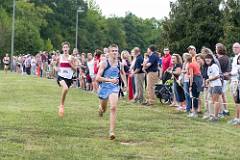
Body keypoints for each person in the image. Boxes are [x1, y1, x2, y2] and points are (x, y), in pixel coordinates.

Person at [96, 44, 127, 140]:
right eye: (113, 51)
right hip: (104, 87)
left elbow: (122, 73)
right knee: (104, 109)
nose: (115, 52)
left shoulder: (119, 64)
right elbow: (97, 78)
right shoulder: (104, 63)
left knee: (113, 107)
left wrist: (125, 84)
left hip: (114, 88)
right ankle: (100, 109)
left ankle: (112, 132)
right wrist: (110, 80)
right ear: (109, 52)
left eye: (116, 51)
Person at [56, 42, 76, 117]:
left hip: (69, 78)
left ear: (69, 48)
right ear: (62, 49)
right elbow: (55, 65)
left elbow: (75, 69)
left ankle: (62, 105)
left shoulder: (72, 58)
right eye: (64, 47)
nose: (65, 49)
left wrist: (70, 63)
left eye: (66, 47)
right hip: (60, 76)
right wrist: (56, 68)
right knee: (65, 88)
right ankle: (61, 105)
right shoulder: (59, 57)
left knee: (65, 90)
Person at [205, 54, 222, 122]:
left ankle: (216, 117)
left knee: (215, 101)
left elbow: (218, 76)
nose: (207, 60)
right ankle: (213, 115)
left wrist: (209, 80)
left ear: (212, 59)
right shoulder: (209, 67)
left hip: (216, 85)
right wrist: (208, 82)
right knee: (213, 101)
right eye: (206, 59)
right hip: (212, 86)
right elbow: (210, 76)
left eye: (209, 58)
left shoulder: (214, 66)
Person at [186, 52, 203, 118]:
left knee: (194, 97)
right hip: (199, 80)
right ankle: (195, 111)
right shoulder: (196, 63)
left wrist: (190, 85)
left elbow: (191, 76)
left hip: (195, 81)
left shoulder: (190, 65)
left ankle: (194, 113)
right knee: (196, 96)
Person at [216, 43, 230, 116]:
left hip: (223, 78)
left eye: (216, 48)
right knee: (222, 95)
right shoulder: (225, 57)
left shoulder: (222, 58)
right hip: (223, 78)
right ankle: (225, 109)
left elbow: (219, 69)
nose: (215, 50)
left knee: (221, 95)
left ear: (219, 49)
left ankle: (224, 110)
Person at [228, 42, 240, 125]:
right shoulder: (235, 57)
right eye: (233, 47)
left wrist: (230, 73)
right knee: (235, 100)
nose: (235, 49)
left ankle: (237, 118)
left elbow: (238, 70)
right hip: (233, 80)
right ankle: (237, 117)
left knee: (237, 100)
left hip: (237, 81)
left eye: (236, 47)